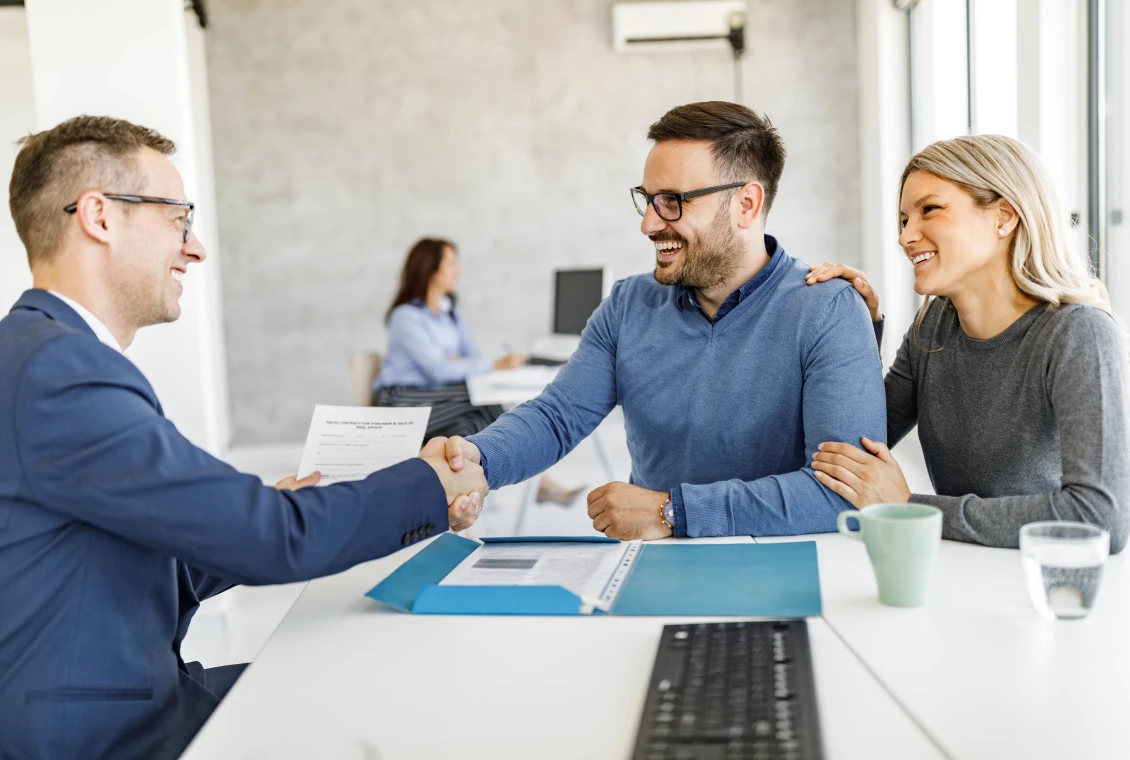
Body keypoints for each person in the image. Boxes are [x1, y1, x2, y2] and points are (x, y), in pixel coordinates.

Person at [0, 115, 487, 760]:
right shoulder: (61, 372)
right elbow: (276, 541)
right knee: (379, 696)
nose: (195, 247)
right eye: (178, 219)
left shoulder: (43, 354)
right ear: (99, 217)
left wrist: (250, 512)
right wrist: (427, 484)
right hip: (104, 735)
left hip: (122, 698)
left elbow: (116, 559)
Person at [436, 101, 886, 540]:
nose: (649, 224)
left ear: (747, 204)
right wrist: (476, 460)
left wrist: (671, 511)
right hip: (653, 568)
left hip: (783, 569)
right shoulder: (628, 305)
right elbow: (558, 416)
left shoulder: (829, 309)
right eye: (648, 200)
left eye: (673, 201)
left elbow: (843, 494)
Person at [804, 134, 1129, 552]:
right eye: (904, 220)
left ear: (1004, 217)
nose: (906, 237)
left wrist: (912, 509)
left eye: (930, 210)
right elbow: (855, 442)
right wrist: (853, 330)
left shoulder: (1078, 334)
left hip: (1044, 594)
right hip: (958, 576)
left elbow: (1100, 517)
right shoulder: (934, 325)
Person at [373, 237, 583, 505]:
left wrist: (456, 362)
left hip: (440, 395)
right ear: (430, 268)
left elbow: (471, 357)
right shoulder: (406, 316)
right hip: (401, 400)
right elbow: (438, 370)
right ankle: (535, 483)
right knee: (482, 401)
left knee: (469, 426)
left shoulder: (450, 311)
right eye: (450, 263)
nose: (457, 270)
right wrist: (482, 365)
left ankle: (466, 498)